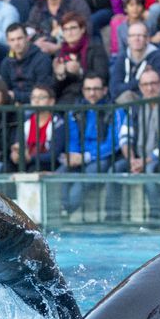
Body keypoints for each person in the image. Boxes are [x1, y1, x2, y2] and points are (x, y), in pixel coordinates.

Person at [59, 73, 127, 218]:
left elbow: (113, 143)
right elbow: (72, 138)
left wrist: (87, 157)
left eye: (96, 89)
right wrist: (74, 155)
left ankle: (66, 211)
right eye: (88, 89)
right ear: (83, 90)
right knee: (60, 174)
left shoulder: (115, 110)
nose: (92, 93)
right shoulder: (75, 111)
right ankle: (60, 213)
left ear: (105, 90)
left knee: (85, 178)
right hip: (80, 156)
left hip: (103, 157)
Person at [114, 66, 160, 219]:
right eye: (145, 85)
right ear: (140, 87)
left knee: (150, 171)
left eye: (153, 83)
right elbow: (125, 136)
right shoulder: (135, 108)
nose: (150, 88)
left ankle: (155, 216)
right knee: (115, 169)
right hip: (137, 157)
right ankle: (112, 216)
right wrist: (132, 160)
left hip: (159, 157)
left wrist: (145, 161)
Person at [52, 12, 109, 103]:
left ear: (82, 29)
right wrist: (60, 76)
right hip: (66, 99)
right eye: (65, 29)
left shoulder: (95, 48)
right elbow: (54, 90)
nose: (69, 33)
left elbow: (102, 76)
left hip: (90, 97)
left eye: (73, 28)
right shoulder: (60, 53)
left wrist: (80, 71)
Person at [8, 84, 65, 172]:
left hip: (47, 164)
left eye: (41, 97)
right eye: (33, 97)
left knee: (34, 169)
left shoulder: (58, 122)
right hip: (27, 161)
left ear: (51, 101)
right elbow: (18, 143)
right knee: (6, 168)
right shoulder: (25, 121)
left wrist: (31, 157)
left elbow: (54, 154)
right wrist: (15, 154)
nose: (36, 101)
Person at [109, 21, 160, 102]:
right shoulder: (122, 58)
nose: (136, 39)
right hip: (125, 102)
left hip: (148, 101)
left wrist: (126, 86)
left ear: (147, 39)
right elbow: (114, 89)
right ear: (128, 40)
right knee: (126, 96)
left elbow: (152, 85)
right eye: (132, 36)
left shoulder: (157, 57)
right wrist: (138, 82)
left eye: (140, 35)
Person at [28, 0, 92, 56]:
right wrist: (36, 44)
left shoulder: (76, 2)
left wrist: (59, 48)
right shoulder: (38, 7)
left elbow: (87, 31)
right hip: (44, 54)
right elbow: (30, 30)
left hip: (74, 54)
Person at [0, 22, 53, 104]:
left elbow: (43, 92)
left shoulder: (42, 59)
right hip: (13, 105)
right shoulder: (6, 63)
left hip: (36, 104)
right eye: (12, 40)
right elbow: (6, 89)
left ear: (27, 38)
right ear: (8, 42)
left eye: (19, 38)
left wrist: (16, 96)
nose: (16, 43)